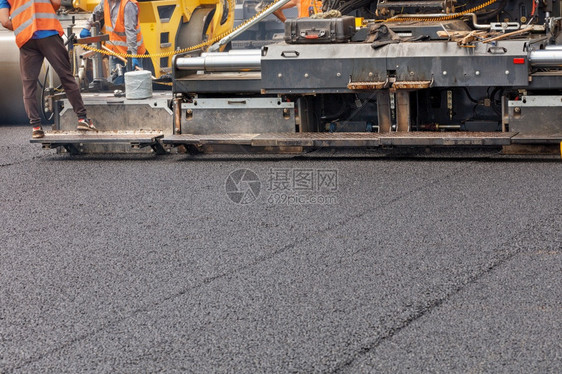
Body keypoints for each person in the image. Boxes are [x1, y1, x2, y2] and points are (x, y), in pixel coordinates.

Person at [0, 0, 96, 138]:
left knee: (29, 85)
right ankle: (82, 119)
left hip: (26, 40)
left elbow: (4, 21)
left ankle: (36, 127)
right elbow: (56, 4)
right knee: (66, 77)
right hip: (48, 34)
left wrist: (23, 27)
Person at [80, 0, 146, 82]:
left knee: (135, 83)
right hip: (115, 52)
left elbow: (130, 32)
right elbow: (96, 13)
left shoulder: (128, 5)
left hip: (131, 53)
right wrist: (87, 28)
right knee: (117, 83)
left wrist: (133, 55)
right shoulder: (105, 2)